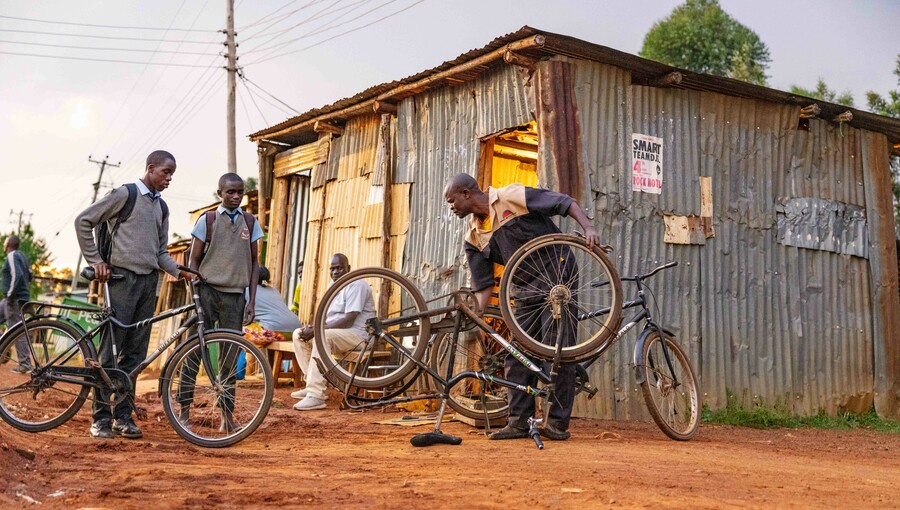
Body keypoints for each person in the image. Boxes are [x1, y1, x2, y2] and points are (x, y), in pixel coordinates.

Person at [443, 173, 599, 441]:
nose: (451, 207)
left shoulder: (510, 197)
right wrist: (473, 315)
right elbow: (483, 288)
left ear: (466, 194)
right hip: (523, 287)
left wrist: (589, 228)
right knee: (516, 354)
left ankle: (556, 424)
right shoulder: (474, 238)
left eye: (452, 200)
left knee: (556, 348)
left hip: (556, 273)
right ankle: (518, 422)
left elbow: (564, 202)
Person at [75, 150, 192, 440]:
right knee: (110, 352)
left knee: (136, 354)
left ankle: (123, 417)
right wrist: (96, 261)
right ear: (150, 168)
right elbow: (83, 221)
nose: (169, 178)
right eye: (165, 172)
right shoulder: (125, 195)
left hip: (148, 284)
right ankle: (101, 419)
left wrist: (181, 271)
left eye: (172, 174)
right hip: (120, 281)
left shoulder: (161, 207)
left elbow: (160, 252)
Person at [179, 173, 263, 429]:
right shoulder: (208, 220)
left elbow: (255, 264)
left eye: (240, 192)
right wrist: (194, 291)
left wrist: (251, 301)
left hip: (235, 297)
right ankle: (183, 412)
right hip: (206, 292)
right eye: (230, 192)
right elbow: (193, 260)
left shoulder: (250, 222)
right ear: (220, 194)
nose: (236, 196)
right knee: (194, 351)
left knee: (229, 359)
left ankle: (226, 417)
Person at [291, 253, 375, 411]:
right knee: (298, 335)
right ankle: (311, 385)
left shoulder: (356, 284)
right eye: (332, 269)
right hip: (340, 334)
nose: (335, 272)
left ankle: (316, 395)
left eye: (339, 268)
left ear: (348, 268)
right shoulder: (333, 285)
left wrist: (318, 329)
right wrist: (312, 328)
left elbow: (349, 318)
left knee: (322, 337)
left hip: (360, 335)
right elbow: (327, 316)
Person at [2, 235, 32, 373]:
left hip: (13, 298)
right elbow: (29, 275)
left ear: (8, 244)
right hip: (19, 298)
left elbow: (18, 275)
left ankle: (25, 363)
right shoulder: (23, 256)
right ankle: (3, 346)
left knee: (16, 330)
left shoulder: (12, 255)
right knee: (15, 327)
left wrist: (10, 294)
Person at [249, 266, 302, 335]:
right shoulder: (274, 291)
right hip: (296, 328)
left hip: (274, 330)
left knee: (243, 328)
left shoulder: (248, 290)